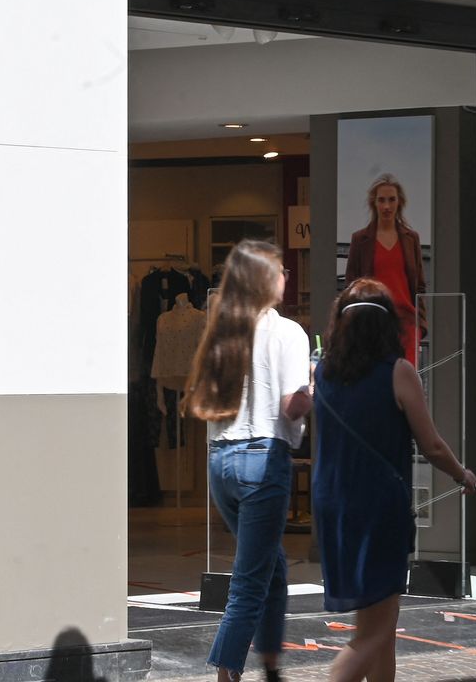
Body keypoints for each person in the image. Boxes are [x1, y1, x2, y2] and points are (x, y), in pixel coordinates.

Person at [312, 278, 476, 682]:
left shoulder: (325, 374)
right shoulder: (398, 373)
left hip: (333, 503)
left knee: (377, 622)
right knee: (377, 630)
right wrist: (463, 474)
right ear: (388, 325)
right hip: (377, 508)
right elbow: (432, 445)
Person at [183, 240, 311, 682]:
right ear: (263, 280)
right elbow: (292, 406)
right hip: (263, 459)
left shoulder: (221, 332)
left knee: (271, 566)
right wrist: (317, 387)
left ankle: (272, 665)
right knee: (250, 580)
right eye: (279, 270)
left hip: (222, 460)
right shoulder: (287, 332)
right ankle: (226, 671)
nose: (285, 277)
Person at [344, 173, 426, 365]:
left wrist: (420, 324)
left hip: (406, 322)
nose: (387, 206)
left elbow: (420, 284)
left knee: (407, 382)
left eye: (391, 200)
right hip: (373, 321)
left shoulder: (410, 238)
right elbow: (351, 285)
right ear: (374, 204)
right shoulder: (361, 239)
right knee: (376, 379)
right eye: (381, 200)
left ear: (399, 203)